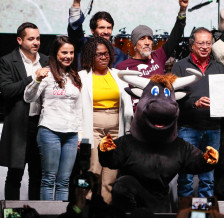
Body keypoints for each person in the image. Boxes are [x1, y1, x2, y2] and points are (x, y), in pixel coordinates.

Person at [171, 27, 224, 198]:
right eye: (201, 43)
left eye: (208, 43)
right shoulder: (180, 67)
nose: (205, 47)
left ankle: (204, 214)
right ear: (192, 45)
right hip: (187, 129)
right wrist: (194, 103)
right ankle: (185, 213)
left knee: (207, 178)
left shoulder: (219, 67)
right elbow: (172, 99)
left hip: (213, 129)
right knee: (186, 177)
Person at [23, 36, 82, 200]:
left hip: (71, 134)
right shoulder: (46, 73)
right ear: (56, 53)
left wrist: (80, 134)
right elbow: (28, 97)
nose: (68, 56)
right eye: (64, 52)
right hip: (50, 132)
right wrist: (37, 79)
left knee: (64, 181)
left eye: (71, 52)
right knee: (49, 179)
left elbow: (78, 109)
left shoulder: (75, 76)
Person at [79, 36, 133, 204]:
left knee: (109, 178)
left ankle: (104, 212)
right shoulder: (81, 77)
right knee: (92, 172)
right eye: (98, 54)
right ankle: (85, 210)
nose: (103, 57)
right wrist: (80, 134)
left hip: (115, 129)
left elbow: (127, 104)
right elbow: (77, 108)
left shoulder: (118, 75)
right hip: (92, 126)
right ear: (90, 57)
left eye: (106, 53)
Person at [0, 22, 48, 200]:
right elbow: (6, 90)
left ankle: (34, 212)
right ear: (20, 40)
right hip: (19, 124)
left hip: (41, 124)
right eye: (31, 39)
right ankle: (11, 214)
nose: (36, 42)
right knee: (15, 174)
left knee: (38, 174)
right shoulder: (7, 60)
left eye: (38, 38)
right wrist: (32, 77)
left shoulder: (46, 60)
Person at [116, 0, 189, 110]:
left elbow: (175, 37)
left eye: (149, 38)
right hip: (137, 116)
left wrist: (182, 11)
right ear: (134, 45)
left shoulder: (158, 56)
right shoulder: (123, 67)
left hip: (158, 111)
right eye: (142, 39)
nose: (147, 42)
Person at [68, 0, 127, 67]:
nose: (106, 32)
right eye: (101, 27)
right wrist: (76, 1)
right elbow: (75, 29)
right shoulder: (83, 45)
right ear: (92, 30)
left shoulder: (119, 55)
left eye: (109, 28)